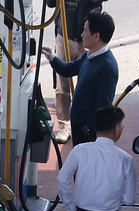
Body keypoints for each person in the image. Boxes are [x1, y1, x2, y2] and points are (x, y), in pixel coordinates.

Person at [42, 10, 117, 145]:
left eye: (85, 30)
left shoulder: (107, 66)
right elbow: (68, 69)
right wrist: (52, 57)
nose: (81, 35)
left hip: (87, 130)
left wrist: (87, 129)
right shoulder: (89, 56)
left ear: (96, 36)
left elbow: (104, 104)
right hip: (78, 123)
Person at [51, 0, 103, 143]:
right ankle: (64, 125)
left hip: (89, 35)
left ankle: (90, 125)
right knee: (62, 84)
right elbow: (50, 4)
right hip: (65, 34)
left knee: (88, 84)